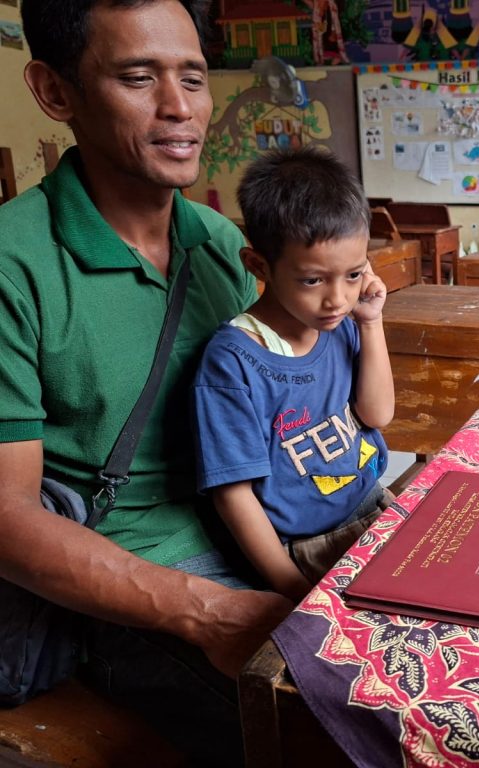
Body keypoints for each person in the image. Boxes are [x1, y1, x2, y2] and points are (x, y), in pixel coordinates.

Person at [0, 1, 292, 764]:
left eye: (192, 79)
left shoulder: (224, 245)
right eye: (138, 77)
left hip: (264, 535)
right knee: (323, 736)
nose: (181, 108)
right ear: (55, 92)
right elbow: (4, 515)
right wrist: (206, 612)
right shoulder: (13, 264)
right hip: (135, 587)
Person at [192, 147, 394, 604]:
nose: (337, 299)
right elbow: (233, 495)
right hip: (306, 547)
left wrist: (371, 321)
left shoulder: (343, 323)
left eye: (354, 274)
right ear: (259, 266)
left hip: (370, 505)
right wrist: (290, 588)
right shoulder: (233, 362)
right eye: (312, 280)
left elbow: (376, 413)